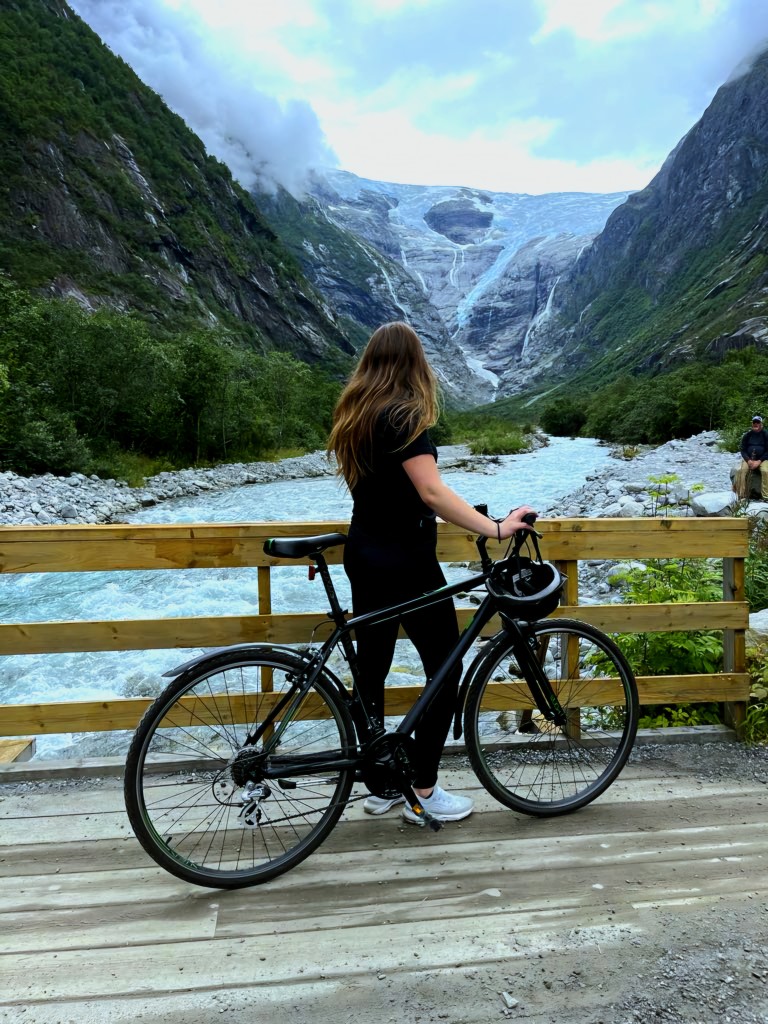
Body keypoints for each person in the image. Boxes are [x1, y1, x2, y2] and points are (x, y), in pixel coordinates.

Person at [327, 321, 536, 825]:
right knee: (445, 666)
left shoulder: (355, 415)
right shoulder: (404, 415)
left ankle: (381, 784)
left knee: (372, 669)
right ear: (414, 364)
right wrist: (495, 528)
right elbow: (432, 492)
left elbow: (379, 492)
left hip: (364, 552)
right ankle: (422, 787)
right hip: (407, 558)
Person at [735, 414, 768, 500]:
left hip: (763, 459)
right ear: (752, 424)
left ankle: (766, 496)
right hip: (749, 459)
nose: (756, 424)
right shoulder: (747, 435)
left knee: (765, 471)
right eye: (754, 422)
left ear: (761, 424)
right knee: (740, 470)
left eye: (758, 422)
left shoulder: (766, 435)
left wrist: (759, 461)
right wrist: (748, 460)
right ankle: (741, 495)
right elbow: (743, 450)